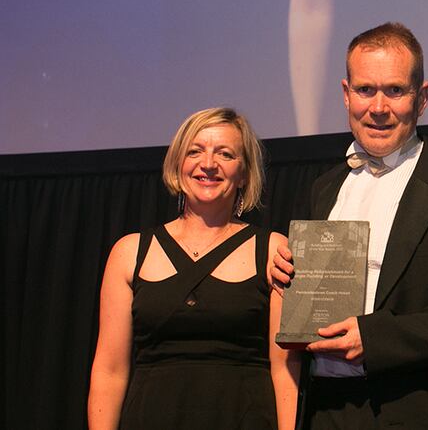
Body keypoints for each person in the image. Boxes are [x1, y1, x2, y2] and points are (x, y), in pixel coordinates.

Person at [270, 22, 428, 429]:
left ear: (422, 98)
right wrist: (284, 273)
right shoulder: (323, 189)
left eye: (395, 90)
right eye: (365, 90)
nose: (378, 107)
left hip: (426, 411)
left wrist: (378, 339)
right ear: (346, 95)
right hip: (329, 412)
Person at [87, 107, 287, 429]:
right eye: (195, 151)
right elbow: (109, 371)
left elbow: (284, 368)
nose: (208, 164)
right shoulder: (129, 252)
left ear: (245, 173)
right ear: (178, 165)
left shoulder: (274, 249)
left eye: (225, 153)